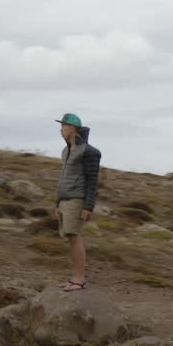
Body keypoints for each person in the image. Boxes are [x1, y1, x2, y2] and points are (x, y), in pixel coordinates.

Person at [53, 113, 102, 291]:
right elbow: (63, 178)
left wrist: (88, 206)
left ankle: (79, 279)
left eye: (64, 127)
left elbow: (92, 181)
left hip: (77, 199)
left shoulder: (89, 152)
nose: (61, 130)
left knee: (74, 236)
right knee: (70, 238)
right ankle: (75, 277)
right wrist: (57, 203)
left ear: (72, 128)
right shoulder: (66, 151)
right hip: (65, 200)